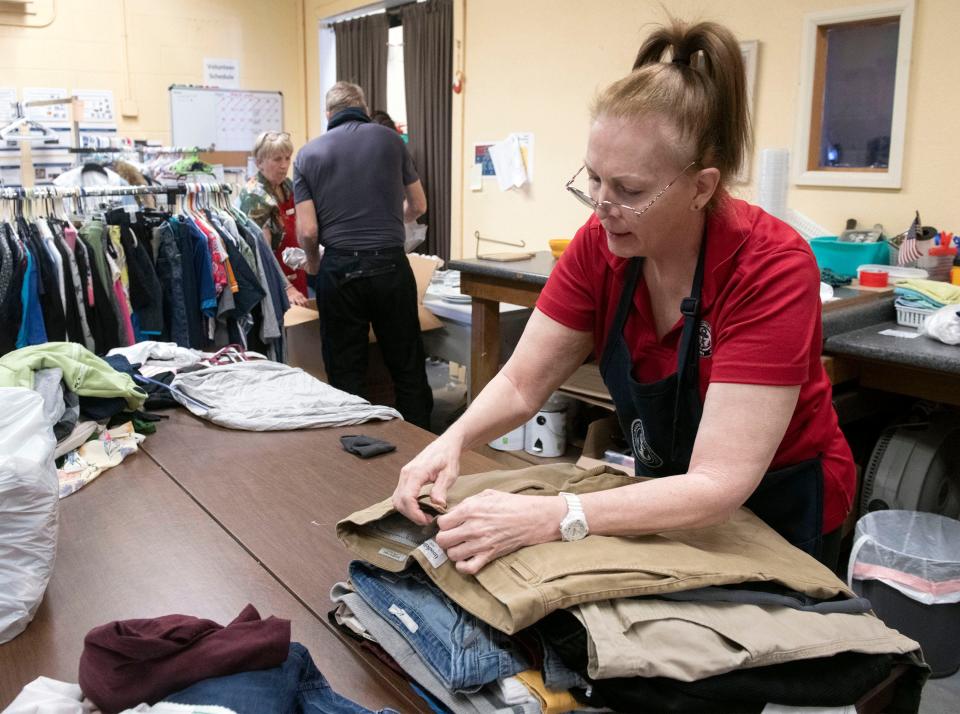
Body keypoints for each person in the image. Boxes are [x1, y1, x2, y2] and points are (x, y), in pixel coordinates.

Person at [392, 19, 856, 574]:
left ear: (702, 187)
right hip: (667, 497)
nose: (601, 206)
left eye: (629, 190)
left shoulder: (771, 268)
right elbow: (521, 382)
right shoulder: (602, 243)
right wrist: (450, 441)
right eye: (594, 180)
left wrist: (556, 514)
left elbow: (718, 482)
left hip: (779, 506)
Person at [294, 81, 433, 429]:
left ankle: (353, 450)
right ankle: (421, 444)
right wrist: (388, 217)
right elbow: (419, 205)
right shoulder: (390, 141)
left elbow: (308, 231)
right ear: (364, 107)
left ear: (329, 113)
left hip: (340, 270)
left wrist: (313, 265)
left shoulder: (307, 155)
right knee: (407, 364)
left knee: (346, 370)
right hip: (389, 264)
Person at [239, 131, 308, 306]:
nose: (284, 165)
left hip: (297, 271)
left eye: (287, 158)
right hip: (275, 281)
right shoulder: (255, 197)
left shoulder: (287, 185)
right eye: (277, 159)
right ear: (259, 162)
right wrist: (287, 287)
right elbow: (264, 254)